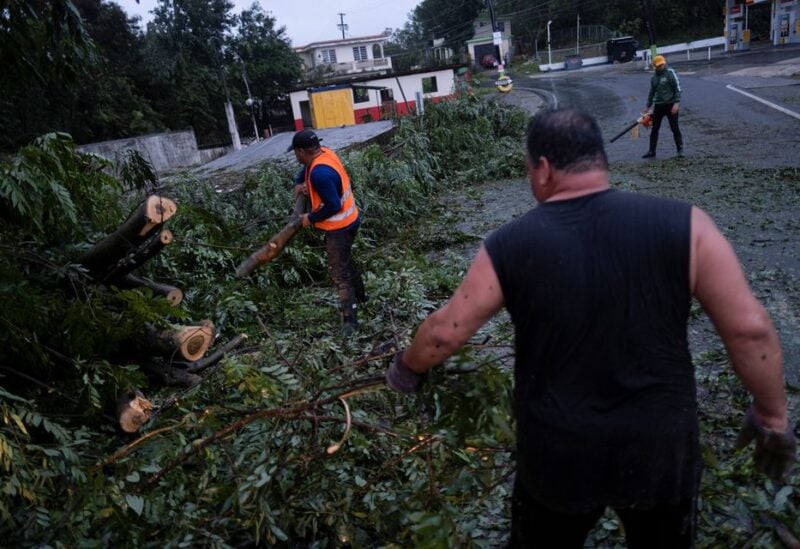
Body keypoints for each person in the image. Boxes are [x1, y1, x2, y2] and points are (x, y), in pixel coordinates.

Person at [386, 109, 795, 547]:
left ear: (542, 168)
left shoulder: (510, 244)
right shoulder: (688, 225)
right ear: (600, 160)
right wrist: (772, 415)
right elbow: (749, 329)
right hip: (659, 448)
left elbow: (446, 331)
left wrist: (408, 368)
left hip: (558, 453)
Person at [287, 129, 365, 334]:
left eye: (296, 152)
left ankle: (350, 323)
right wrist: (299, 183)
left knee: (339, 273)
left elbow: (333, 205)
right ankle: (362, 298)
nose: (296, 157)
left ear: (303, 151)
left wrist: (309, 218)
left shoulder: (320, 174)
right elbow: (305, 171)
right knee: (347, 261)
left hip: (339, 227)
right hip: (352, 219)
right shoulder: (325, 153)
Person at [642, 54, 684, 159]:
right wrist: (647, 106)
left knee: (674, 128)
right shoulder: (654, 78)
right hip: (659, 106)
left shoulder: (670, 73)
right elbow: (651, 93)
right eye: (659, 65)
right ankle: (652, 151)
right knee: (654, 129)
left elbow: (677, 88)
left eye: (662, 64)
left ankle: (680, 150)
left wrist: (676, 103)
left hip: (671, 105)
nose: (661, 66)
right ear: (655, 66)